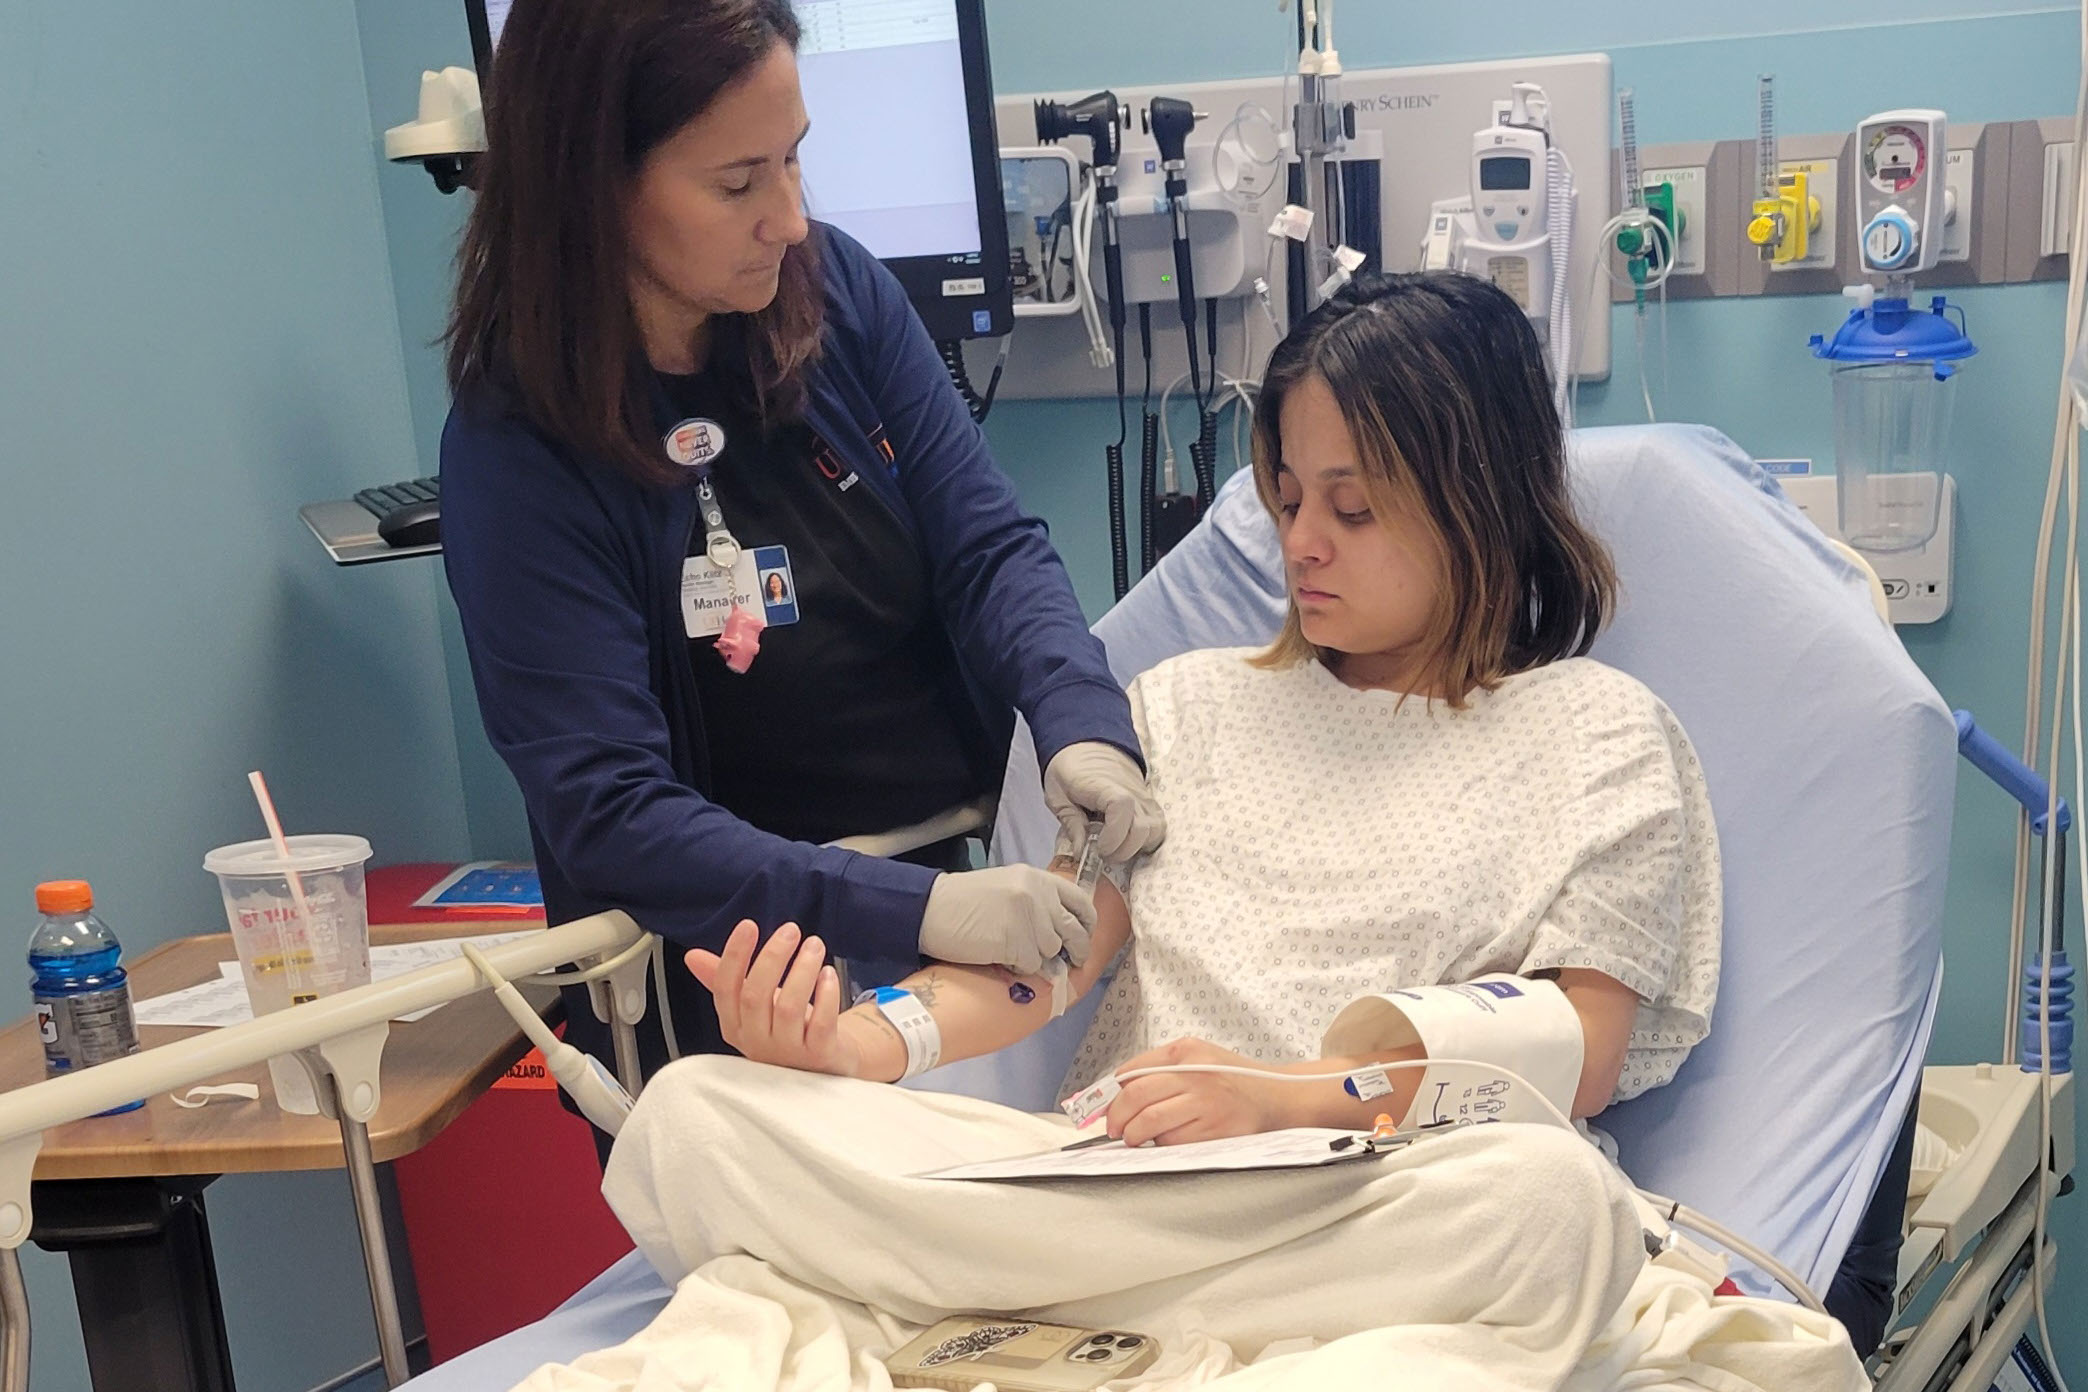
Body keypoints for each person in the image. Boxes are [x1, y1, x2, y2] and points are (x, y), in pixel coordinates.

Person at [689, 269, 1720, 1141]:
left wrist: (1281, 1103)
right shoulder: (1178, 709)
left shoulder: (1598, 736)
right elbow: (1044, 962)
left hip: (1393, 1192)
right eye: (1287, 494)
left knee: (1545, 1203)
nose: (1302, 539)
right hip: (1135, 1179)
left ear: (1481, 503)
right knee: (697, 1119)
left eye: (1352, 508)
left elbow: (1576, 1055)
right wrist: (853, 1042)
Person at [438, 0, 1165, 1082]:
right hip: (735, 980)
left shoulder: (838, 293)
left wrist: (1082, 721)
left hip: (952, 914)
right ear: (592, 186)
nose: (787, 217)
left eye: (795, 160)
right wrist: (921, 909)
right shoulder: (518, 453)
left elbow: (989, 547)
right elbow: (616, 814)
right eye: (738, 182)